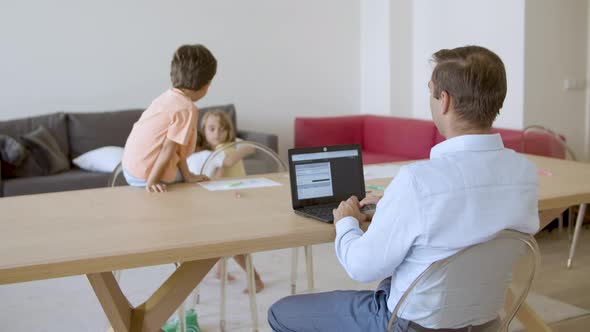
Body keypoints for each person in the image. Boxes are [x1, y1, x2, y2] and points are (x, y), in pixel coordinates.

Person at [267, 45, 540, 331]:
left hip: (407, 324)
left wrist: (346, 221)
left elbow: (361, 267)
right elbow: (469, 213)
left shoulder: (418, 181)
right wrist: (394, 204)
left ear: (444, 101)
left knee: (281, 312)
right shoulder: (525, 174)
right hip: (485, 323)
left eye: (430, 90)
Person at [187, 110, 264, 293]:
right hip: (227, 200)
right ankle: (221, 270)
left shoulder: (226, 147)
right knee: (225, 238)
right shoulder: (212, 153)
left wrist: (243, 149)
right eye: (212, 129)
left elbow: (230, 162)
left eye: (222, 129)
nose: (217, 134)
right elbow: (220, 174)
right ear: (203, 130)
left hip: (237, 198)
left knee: (235, 243)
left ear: (228, 131)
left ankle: (256, 279)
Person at [122, 44, 215, 192]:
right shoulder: (186, 109)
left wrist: (188, 175)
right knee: (194, 191)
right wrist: (152, 182)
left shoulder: (167, 97)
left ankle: (185, 176)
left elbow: (177, 147)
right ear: (205, 86)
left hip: (130, 168)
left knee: (184, 178)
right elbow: (168, 149)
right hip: (145, 175)